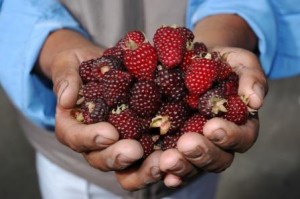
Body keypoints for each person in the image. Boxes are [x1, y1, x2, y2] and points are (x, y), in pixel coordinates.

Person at [4, 0, 298, 198]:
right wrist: (52, 46)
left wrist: (230, 28)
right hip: (71, 169)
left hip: (195, 161)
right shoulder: (121, 87)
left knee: (194, 160)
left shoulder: (180, 86)